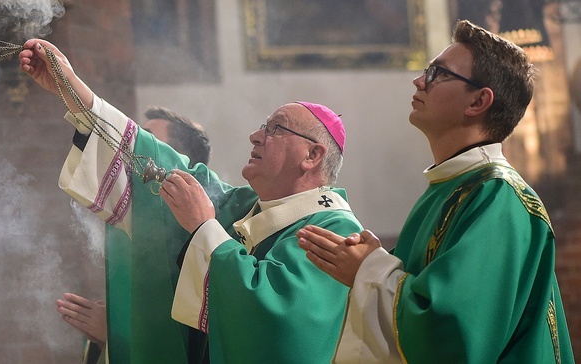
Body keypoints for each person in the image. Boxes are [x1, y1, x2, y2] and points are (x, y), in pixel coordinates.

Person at [19, 38, 363, 363]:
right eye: (263, 125)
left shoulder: (334, 230)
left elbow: (275, 327)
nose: (256, 136)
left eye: (276, 129)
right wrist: (74, 91)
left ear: (312, 155)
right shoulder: (242, 207)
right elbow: (161, 166)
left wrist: (204, 228)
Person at [296, 20, 574, 362]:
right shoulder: (450, 187)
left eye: (438, 73)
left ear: (478, 102)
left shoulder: (499, 198)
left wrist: (368, 269)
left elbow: (453, 332)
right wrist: (369, 264)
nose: (419, 80)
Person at [57, 106, 211, 364]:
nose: (134, 149)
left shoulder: (200, 234)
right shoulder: (136, 226)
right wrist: (105, 339)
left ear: (178, 160)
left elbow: (189, 339)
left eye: (148, 141)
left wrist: (118, 332)